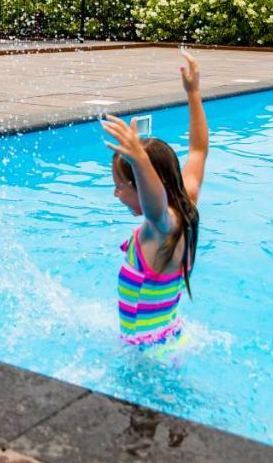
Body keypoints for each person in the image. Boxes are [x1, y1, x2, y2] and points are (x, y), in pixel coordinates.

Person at [101, 49, 206, 358]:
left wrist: (139, 160)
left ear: (145, 184)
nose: (116, 194)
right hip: (168, 338)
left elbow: (154, 203)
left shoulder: (164, 224)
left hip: (151, 357)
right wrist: (194, 93)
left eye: (121, 186)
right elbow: (198, 150)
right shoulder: (186, 199)